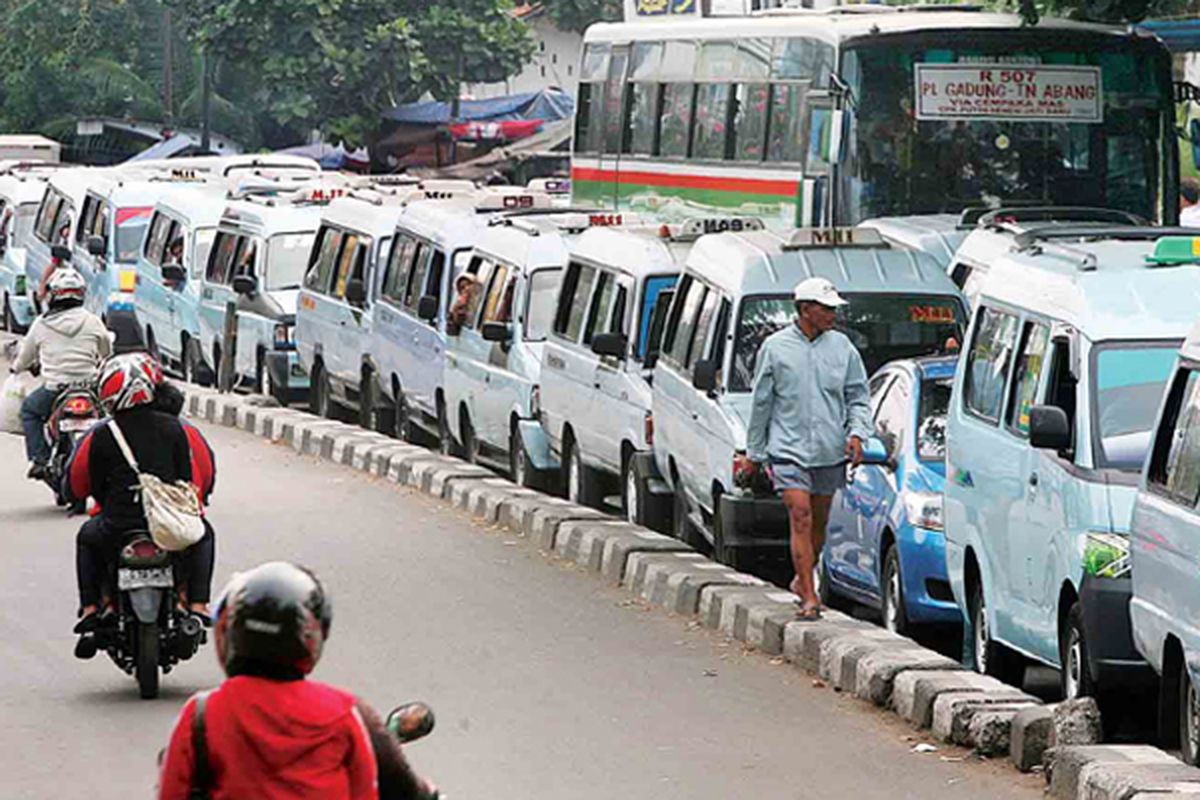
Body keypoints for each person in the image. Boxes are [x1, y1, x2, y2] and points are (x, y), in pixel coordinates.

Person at [157, 562, 437, 800]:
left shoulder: (202, 717)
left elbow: (171, 792)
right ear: (312, 636)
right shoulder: (345, 713)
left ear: (228, 633)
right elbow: (367, 792)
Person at [738, 277, 871, 620]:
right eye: (825, 308)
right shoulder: (776, 347)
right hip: (788, 449)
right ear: (805, 309)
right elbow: (761, 403)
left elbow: (857, 396)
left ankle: (800, 578)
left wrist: (857, 434)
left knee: (819, 523)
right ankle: (810, 596)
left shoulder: (843, 348)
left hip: (829, 450)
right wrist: (754, 454)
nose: (832, 315)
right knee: (800, 514)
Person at [65, 374, 218, 658]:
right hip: (167, 522)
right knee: (204, 535)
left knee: (87, 538)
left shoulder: (102, 433)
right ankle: (198, 603)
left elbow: (93, 485)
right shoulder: (176, 428)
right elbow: (185, 478)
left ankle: (91, 607)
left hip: (117, 525)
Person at [12, 268, 112, 479]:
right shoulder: (93, 321)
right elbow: (106, 352)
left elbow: (25, 356)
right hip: (90, 386)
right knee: (111, 418)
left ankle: (40, 459)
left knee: (30, 411)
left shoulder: (41, 323)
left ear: (53, 294)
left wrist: (16, 368)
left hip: (55, 388)